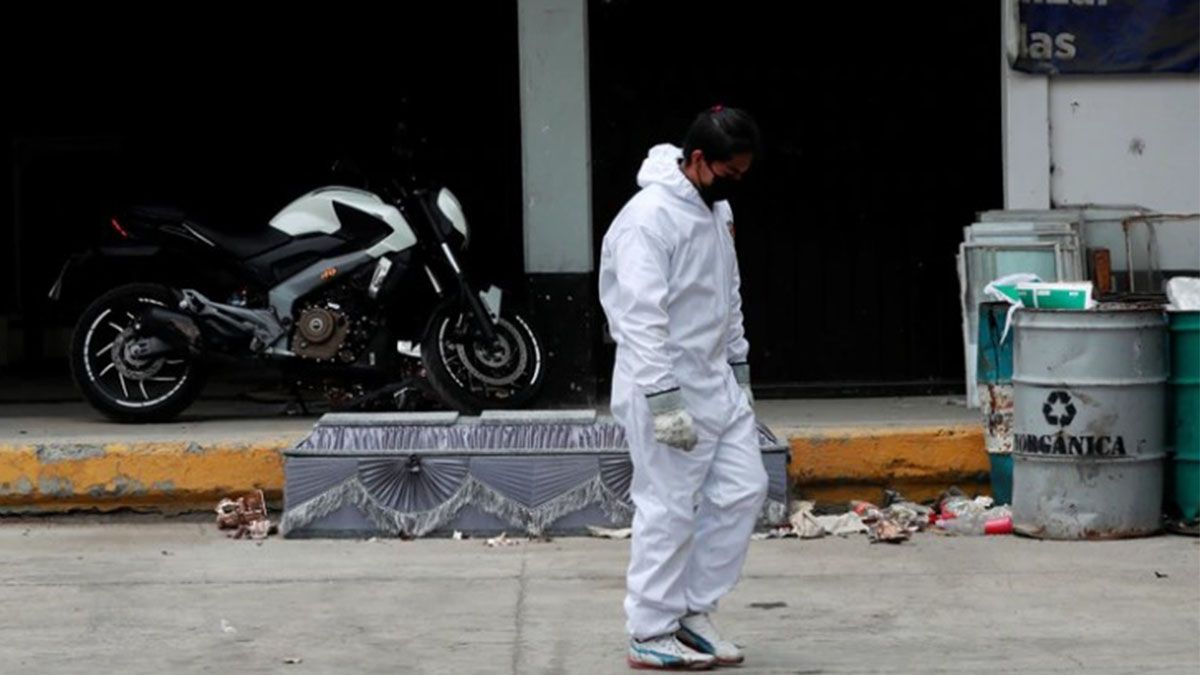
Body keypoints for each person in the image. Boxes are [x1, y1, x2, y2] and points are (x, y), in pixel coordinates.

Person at [598, 106, 766, 670]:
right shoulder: (649, 219)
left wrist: (738, 370)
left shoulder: (715, 209)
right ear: (698, 160)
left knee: (744, 490)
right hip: (663, 384)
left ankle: (692, 612)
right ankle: (649, 627)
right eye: (730, 172)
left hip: (715, 379)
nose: (735, 184)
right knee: (667, 507)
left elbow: (729, 291)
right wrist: (664, 400)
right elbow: (640, 318)